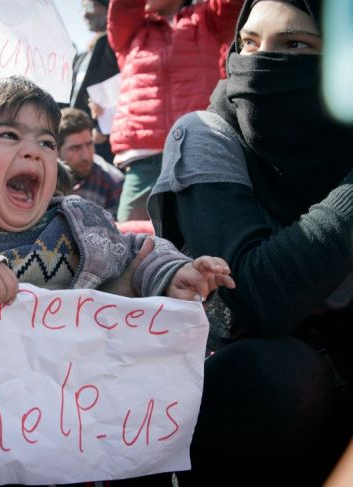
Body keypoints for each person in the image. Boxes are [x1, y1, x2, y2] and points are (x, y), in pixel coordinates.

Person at [0, 75, 235, 342]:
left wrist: (173, 273)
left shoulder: (81, 224)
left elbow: (139, 253)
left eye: (47, 143)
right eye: (8, 135)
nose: (34, 151)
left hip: (73, 404)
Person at [148, 0, 353, 484]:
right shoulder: (205, 132)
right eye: (249, 43)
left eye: (296, 45)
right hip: (254, 395)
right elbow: (258, 295)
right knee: (282, 373)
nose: (259, 62)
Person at [107, 0, 243, 222]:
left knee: (203, 239)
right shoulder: (130, 29)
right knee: (132, 245)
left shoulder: (208, 19)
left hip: (198, 150)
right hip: (146, 160)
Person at [69, 0, 120, 164]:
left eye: (90, 7)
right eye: (82, 8)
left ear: (109, 7)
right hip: (79, 145)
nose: (85, 14)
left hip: (105, 145)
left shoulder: (115, 47)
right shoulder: (83, 55)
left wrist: (102, 129)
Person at [58, 107, 124, 217]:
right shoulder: (45, 177)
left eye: (89, 144)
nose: (85, 155)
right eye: (75, 148)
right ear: (57, 151)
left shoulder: (112, 182)